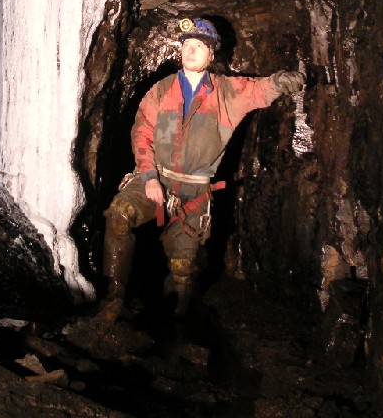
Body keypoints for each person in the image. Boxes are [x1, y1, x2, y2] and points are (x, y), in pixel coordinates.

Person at [98, 18, 305, 321]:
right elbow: (141, 133)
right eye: (187, 45)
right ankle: (113, 298)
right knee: (119, 213)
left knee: (182, 269)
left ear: (211, 54)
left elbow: (258, 90)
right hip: (156, 177)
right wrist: (149, 176)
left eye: (199, 46)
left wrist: (280, 81)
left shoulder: (225, 92)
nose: (191, 50)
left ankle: (176, 325)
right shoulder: (161, 90)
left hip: (194, 191)